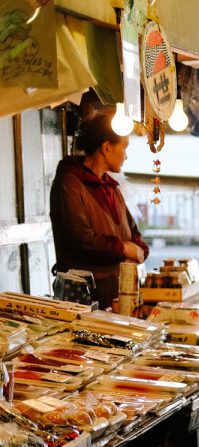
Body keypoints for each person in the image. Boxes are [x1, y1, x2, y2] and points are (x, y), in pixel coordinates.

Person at [49, 112, 148, 310]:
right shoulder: (69, 184)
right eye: (124, 147)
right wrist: (123, 248)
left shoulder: (111, 188)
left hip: (117, 298)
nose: (126, 155)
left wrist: (138, 250)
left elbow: (134, 234)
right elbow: (80, 239)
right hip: (81, 300)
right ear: (106, 147)